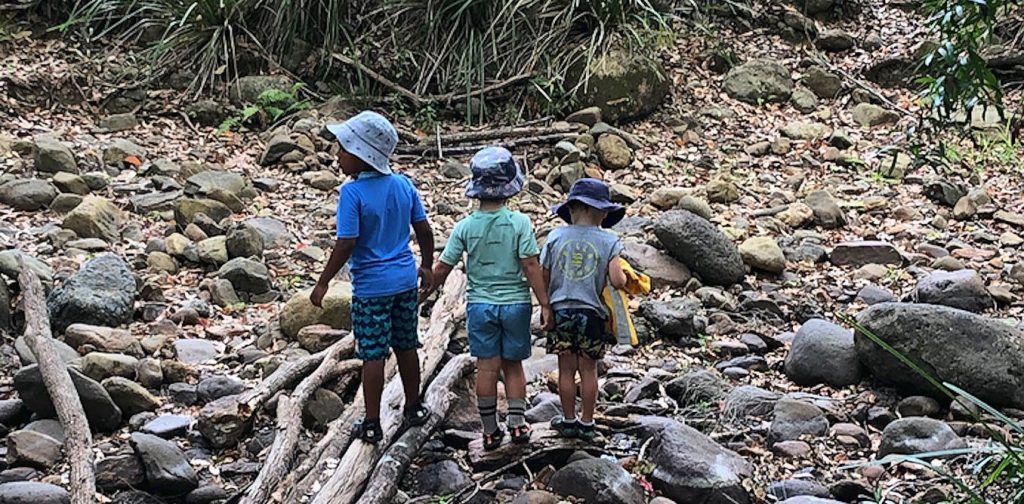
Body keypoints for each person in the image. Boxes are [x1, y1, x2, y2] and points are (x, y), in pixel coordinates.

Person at [310, 110, 434, 443]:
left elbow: (346, 242)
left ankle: (371, 421)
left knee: (373, 355)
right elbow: (423, 229)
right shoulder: (404, 185)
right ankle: (414, 406)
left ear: (362, 155)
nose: (337, 155)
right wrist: (426, 265)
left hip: (370, 288)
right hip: (405, 282)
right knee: (407, 346)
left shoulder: (352, 193)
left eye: (342, 149)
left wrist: (323, 282)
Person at [425, 146, 553, 450]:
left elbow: (443, 266)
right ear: (510, 188)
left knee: (486, 367)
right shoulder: (519, 223)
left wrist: (424, 291)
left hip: (480, 305)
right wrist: (545, 303)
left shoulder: (465, 227)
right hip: (515, 305)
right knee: (513, 366)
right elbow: (530, 264)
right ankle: (518, 424)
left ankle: (490, 430)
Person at [541, 178, 627, 441]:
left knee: (565, 369)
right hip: (591, 313)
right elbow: (617, 281)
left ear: (572, 209)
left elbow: (544, 273)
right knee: (589, 369)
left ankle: (568, 421)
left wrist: (546, 305)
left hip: (561, 310)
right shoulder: (609, 241)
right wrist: (628, 279)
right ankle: (588, 422)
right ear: (602, 212)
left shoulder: (555, 237)